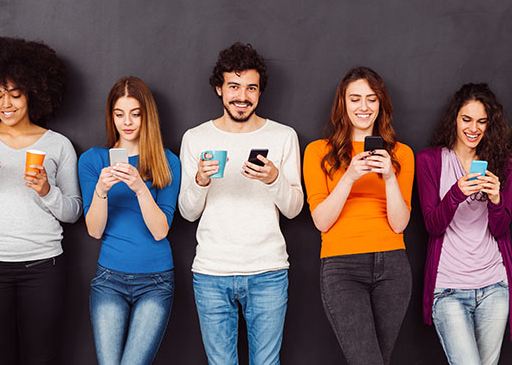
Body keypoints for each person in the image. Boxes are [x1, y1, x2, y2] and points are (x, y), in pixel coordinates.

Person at [179, 42, 303, 365]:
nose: (242, 96)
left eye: (251, 88)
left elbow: (294, 208)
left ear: (260, 92)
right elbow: (188, 212)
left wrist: (274, 178)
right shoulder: (195, 138)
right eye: (233, 86)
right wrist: (200, 181)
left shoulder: (283, 136)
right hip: (211, 271)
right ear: (219, 88)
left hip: (268, 270)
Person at [0, 36, 82, 364]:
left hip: (43, 267)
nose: (5, 104)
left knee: (42, 356)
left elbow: (74, 212)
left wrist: (46, 191)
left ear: (34, 93)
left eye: (15, 94)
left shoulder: (58, 145)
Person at [303, 66, 414, 365]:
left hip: (393, 266)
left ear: (381, 105)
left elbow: (400, 224)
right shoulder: (318, 152)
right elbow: (321, 221)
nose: (363, 107)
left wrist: (390, 177)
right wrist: (349, 176)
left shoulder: (401, 154)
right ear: (343, 104)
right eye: (355, 99)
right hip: (342, 268)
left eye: (371, 99)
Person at [78, 76, 180, 365]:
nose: (128, 122)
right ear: (111, 116)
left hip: (157, 281)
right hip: (109, 279)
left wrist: (139, 187)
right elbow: (94, 231)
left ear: (147, 116)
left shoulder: (166, 161)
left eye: (136, 114)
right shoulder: (93, 160)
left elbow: (161, 231)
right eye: (120, 114)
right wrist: (100, 189)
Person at [417, 83, 512, 365]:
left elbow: (500, 229)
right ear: (454, 119)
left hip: (494, 285)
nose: (474, 128)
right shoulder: (431, 161)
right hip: (448, 289)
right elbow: (433, 225)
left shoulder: (503, 163)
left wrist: (496, 199)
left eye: (482, 121)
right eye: (466, 119)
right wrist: (457, 192)